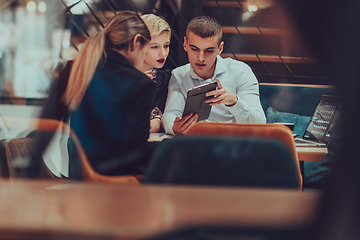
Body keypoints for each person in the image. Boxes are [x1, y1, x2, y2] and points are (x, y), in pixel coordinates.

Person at [63, 11, 156, 176]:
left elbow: (45, 125)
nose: (144, 58)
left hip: (79, 177)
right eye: (146, 50)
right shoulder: (141, 84)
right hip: (116, 183)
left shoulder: (76, 71)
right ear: (136, 42)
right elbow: (136, 151)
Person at [162, 16, 266, 135]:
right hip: (195, 144)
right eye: (194, 49)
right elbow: (170, 114)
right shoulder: (178, 75)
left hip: (231, 145)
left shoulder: (241, 71)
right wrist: (174, 128)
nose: (201, 58)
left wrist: (234, 101)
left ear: (220, 48)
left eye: (209, 51)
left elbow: (259, 123)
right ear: (185, 44)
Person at [139, 14, 172, 133]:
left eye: (166, 46)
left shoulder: (167, 78)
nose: (163, 53)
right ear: (139, 45)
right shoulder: (123, 76)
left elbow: (157, 123)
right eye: (154, 47)